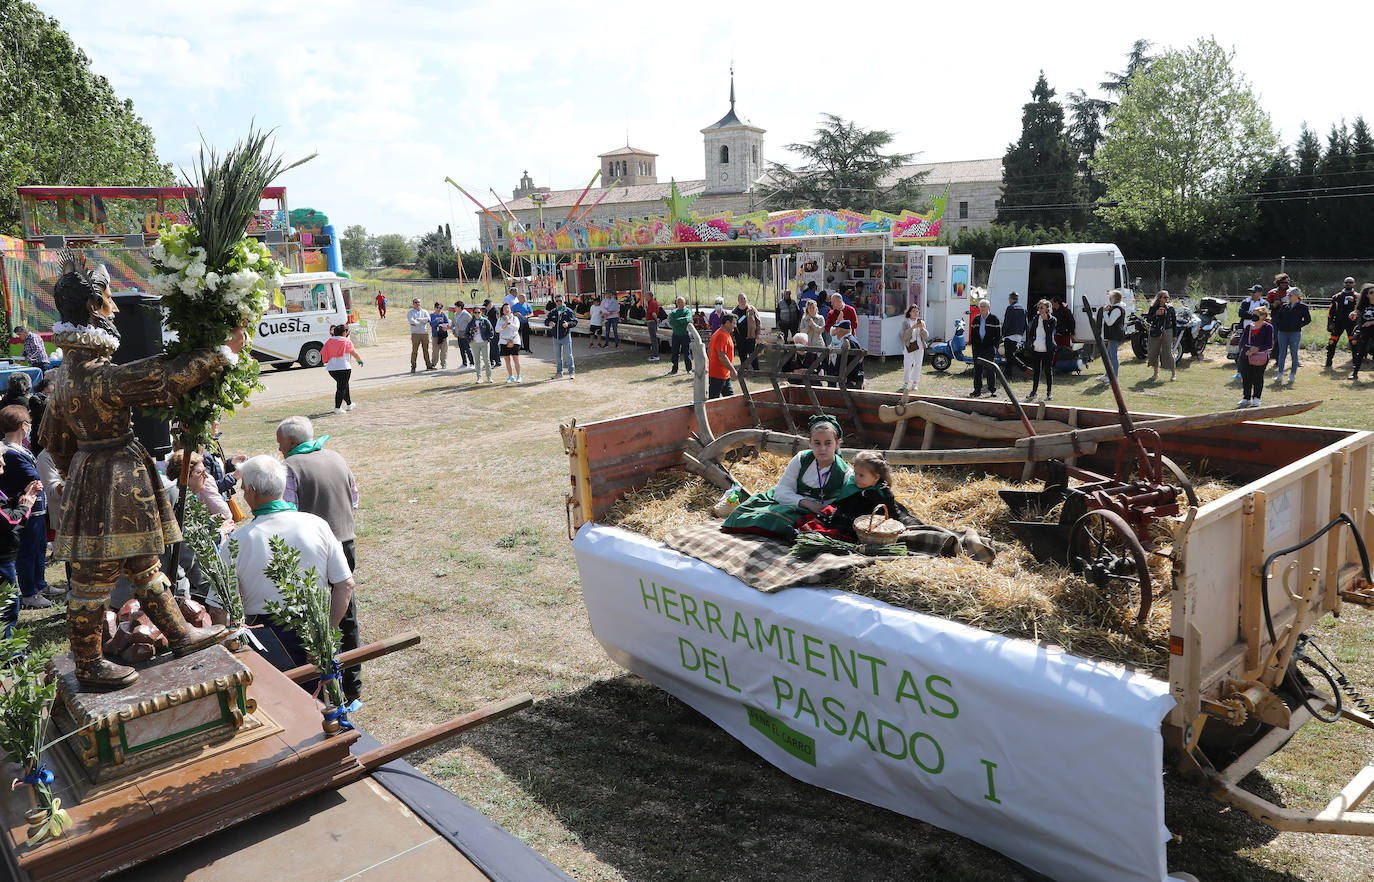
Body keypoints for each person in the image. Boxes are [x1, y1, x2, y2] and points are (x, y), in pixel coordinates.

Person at [39, 251, 231, 689]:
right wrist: (218, 354)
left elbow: (58, 440)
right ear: (93, 308)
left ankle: (180, 634)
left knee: (144, 563)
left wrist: (77, 477)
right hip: (114, 478)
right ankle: (88, 661)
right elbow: (162, 379)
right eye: (107, 296)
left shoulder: (65, 373)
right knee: (92, 577)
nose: (114, 305)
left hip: (96, 474)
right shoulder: (93, 372)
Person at [208, 455, 354, 687]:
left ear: (253, 491)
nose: (244, 495)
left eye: (244, 489)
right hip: (317, 628)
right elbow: (345, 585)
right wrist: (324, 634)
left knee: (284, 711)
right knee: (327, 707)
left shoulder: (237, 542)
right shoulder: (317, 525)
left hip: (268, 641)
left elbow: (217, 609)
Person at [277, 417, 363, 701]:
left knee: (317, 616)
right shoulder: (337, 457)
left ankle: (326, 685)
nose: (280, 450)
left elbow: (287, 514)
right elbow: (354, 499)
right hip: (345, 541)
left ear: (290, 442)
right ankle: (353, 687)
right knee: (347, 614)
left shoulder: (290, 468)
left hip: (314, 549)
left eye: (280, 444)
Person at [720, 415, 850, 540]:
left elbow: (847, 504)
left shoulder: (844, 472)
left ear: (838, 443)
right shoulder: (801, 459)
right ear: (810, 443)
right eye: (817, 443)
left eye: (828, 443)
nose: (822, 448)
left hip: (820, 513)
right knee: (766, 516)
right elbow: (781, 491)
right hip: (794, 502)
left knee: (820, 526)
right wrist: (807, 503)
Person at [0, 404, 54, 609]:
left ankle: (40, 584)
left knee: (39, 548)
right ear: (23, 425)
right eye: (29, 424)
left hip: (37, 507)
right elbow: (33, 478)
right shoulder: (10, 452)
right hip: (24, 508)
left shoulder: (21, 447)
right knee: (27, 551)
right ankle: (30, 592)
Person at [815, 450, 923, 542]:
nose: (856, 478)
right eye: (855, 473)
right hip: (851, 517)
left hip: (874, 525)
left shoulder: (882, 493)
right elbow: (843, 505)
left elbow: (891, 513)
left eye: (861, 475)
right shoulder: (853, 485)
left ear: (876, 477)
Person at [0, 454, 41, 639]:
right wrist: (27, 505)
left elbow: (5, 507)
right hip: (2, 558)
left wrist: (23, 496)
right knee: (8, 605)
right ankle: (10, 653)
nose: (2, 465)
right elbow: (9, 520)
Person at [166, 448, 233, 528]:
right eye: (200, 472)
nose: (206, 476)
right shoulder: (177, 505)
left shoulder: (191, 497)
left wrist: (210, 521)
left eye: (205, 471)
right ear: (185, 477)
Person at [1271, 286, 1311, 386]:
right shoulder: (1284, 306)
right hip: (1282, 332)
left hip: (1295, 333)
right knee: (1282, 354)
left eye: (1290, 295)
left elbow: (1307, 320)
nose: (1288, 296)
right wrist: (1280, 325)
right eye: (1288, 295)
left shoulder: (1303, 307)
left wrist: (1298, 325)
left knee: (1294, 353)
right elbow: (1278, 318)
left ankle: (1292, 375)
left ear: (1296, 296)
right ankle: (1280, 374)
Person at [321, 324, 364, 414]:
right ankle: (337, 408)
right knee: (342, 388)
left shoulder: (329, 341)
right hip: (344, 367)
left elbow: (323, 352)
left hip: (331, 368)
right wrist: (360, 360)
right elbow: (354, 353)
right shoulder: (346, 341)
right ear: (344, 332)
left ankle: (349, 404)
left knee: (344, 385)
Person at [1238, 305, 1274, 407]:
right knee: (1246, 377)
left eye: (1256, 314)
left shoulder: (1268, 327)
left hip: (1260, 357)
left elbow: (1269, 344)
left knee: (1258, 377)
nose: (1253, 316)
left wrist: (1257, 349)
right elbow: (1242, 342)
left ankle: (1257, 398)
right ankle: (1246, 398)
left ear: (1263, 316)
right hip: (1246, 356)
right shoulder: (1249, 326)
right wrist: (1247, 350)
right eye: (1252, 314)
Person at [1024, 299, 1057, 401]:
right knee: (1036, 371)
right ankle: (1034, 392)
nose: (1039, 309)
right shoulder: (1035, 318)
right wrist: (1031, 342)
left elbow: (1049, 332)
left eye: (1041, 307)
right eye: (1038, 307)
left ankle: (1049, 393)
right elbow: (1031, 332)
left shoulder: (1052, 319)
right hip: (1036, 349)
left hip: (1048, 350)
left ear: (1047, 308)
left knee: (1047, 371)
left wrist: (1045, 320)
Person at [969, 298, 1001, 398]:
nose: (982, 308)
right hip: (977, 348)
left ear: (989, 307)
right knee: (977, 370)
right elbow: (973, 335)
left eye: (984, 306)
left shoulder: (994, 319)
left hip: (989, 348)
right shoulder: (976, 319)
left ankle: (992, 390)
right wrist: (975, 346)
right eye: (981, 306)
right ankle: (977, 391)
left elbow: (998, 335)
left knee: (990, 369)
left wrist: (994, 346)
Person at [1327, 277, 1360, 369]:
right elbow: (1331, 311)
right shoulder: (1337, 296)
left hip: (1352, 324)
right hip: (1338, 323)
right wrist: (1330, 323)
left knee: (1354, 343)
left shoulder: (1358, 296)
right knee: (1332, 342)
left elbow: (1361, 310)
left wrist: (1354, 301)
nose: (1348, 284)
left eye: (1350, 282)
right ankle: (1328, 362)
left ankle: (1355, 364)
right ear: (1344, 284)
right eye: (1346, 282)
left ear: (1354, 284)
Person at [1145, 290, 1177, 382]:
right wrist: (1156, 314)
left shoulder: (1170, 308)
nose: (1167, 299)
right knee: (1153, 352)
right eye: (1165, 297)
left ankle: (1173, 373)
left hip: (1167, 331)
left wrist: (1174, 335)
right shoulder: (1153, 308)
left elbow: (1174, 323)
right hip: (1155, 331)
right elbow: (1148, 319)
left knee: (1168, 352)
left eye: (1168, 297)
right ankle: (1155, 373)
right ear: (1159, 298)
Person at [545, 294, 578, 379]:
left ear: (563, 301)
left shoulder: (568, 311)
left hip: (566, 336)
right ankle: (559, 373)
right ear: (555, 302)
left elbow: (575, 321)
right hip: (556, 337)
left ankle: (571, 372)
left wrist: (568, 324)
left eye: (560, 300)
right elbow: (546, 320)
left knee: (569, 355)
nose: (559, 302)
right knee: (557, 356)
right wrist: (549, 323)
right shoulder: (553, 311)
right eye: (557, 301)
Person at [1236, 285, 1266, 379]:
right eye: (1251, 292)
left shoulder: (1264, 303)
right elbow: (1241, 313)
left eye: (1254, 292)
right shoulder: (1246, 302)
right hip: (1245, 329)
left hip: (1258, 330)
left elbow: (1262, 317)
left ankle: (1252, 372)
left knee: (1255, 351)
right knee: (1242, 351)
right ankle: (1240, 372)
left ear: (1260, 293)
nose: (1252, 294)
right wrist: (1254, 315)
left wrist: (1250, 314)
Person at [707, 313, 739, 399]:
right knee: (713, 400)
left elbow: (709, 352)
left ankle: (732, 412)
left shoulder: (723, 334)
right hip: (717, 375)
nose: (735, 326)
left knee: (731, 399)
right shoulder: (721, 335)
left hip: (724, 374)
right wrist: (732, 370)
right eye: (734, 323)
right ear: (727, 323)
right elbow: (721, 355)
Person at [1099, 290, 1128, 381]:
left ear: (1114, 299)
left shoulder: (1117, 309)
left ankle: (1114, 377)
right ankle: (1108, 375)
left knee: (1113, 356)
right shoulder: (1114, 308)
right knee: (1110, 355)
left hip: (1115, 335)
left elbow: (1110, 322)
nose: (1109, 299)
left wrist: (1104, 312)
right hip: (1112, 334)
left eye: (1110, 297)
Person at [899, 305, 927, 393]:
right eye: (914, 311)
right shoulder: (905, 322)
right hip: (909, 346)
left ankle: (915, 384)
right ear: (910, 312)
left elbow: (926, 336)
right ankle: (905, 383)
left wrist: (922, 328)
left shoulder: (921, 322)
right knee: (907, 364)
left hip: (919, 346)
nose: (916, 313)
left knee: (918, 365)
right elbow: (904, 337)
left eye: (917, 311)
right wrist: (912, 328)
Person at [829, 319, 865, 388]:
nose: (835, 333)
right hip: (847, 378)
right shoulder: (848, 340)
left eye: (836, 330)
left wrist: (853, 379)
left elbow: (856, 362)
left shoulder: (850, 342)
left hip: (850, 380)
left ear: (840, 331)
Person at [1349, 284, 1374, 381]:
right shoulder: (1364, 304)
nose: (1373, 294)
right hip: (1365, 332)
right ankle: (1355, 374)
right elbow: (1356, 312)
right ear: (1367, 295)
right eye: (1371, 292)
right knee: (1361, 352)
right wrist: (1353, 313)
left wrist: (1371, 322)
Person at [1001, 292, 1027, 375]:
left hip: (1009, 335)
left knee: (1009, 355)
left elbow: (1006, 322)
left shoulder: (1010, 307)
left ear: (1010, 299)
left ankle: (1023, 367)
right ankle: (1008, 373)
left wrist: (1002, 334)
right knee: (1010, 355)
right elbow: (1025, 324)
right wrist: (1021, 334)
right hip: (1018, 335)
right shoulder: (1023, 309)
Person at [666, 297, 694, 375]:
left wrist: (677, 321)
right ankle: (674, 369)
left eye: (681, 302)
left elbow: (687, 319)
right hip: (676, 335)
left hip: (685, 335)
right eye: (678, 302)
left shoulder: (687, 311)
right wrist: (681, 321)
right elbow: (671, 321)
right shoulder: (674, 312)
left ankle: (689, 369)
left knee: (686, 353)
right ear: (676, 303)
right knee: (675, 352)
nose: (680, 304)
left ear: (684, 303)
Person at [496, 302, 522, 383]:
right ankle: (510, 376)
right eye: (504, 308)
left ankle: (518, 376)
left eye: (508, 308)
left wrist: (508, 323)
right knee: (507, 359)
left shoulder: (515, 318)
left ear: (511, 310)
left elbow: (516, 328)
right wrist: (504, 324)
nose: (506, 310)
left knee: (515, 358)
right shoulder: (500, 319)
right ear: (502, 311)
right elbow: (497, 329)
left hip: (514, 341)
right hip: (504, 341)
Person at [407, 297, 434, 373]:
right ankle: (413, 367)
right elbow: (412, 322)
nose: (417, 304)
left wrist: (418, 320)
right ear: (413, 304)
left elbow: (428, 319)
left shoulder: (424, 311)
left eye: (418, 302)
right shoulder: (411, 312)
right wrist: (422, 321)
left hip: (424, 333)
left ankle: (428, 365)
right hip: (415, 334)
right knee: (415, 351)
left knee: (426, 350)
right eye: (416, 302)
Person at [735, 295, 761, 371]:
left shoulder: (752, 309)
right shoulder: (735, 311)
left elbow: (758, 322)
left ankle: (756, 369)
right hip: (739, 337)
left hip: (751, 336)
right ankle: (744, 369)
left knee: (752, 354)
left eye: (744, 299)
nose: (743, 300)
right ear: (738, 300)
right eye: (741, 299)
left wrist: (758, 334)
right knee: (742, 354)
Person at [470, 306, 494, 384]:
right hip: (475, 344)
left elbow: (491, 331)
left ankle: (489, 377)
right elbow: (466, 332)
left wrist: (488, 339)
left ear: (481, 312)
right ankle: (479, 378)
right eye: (475, 312)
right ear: (473, 313)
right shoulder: (471, 322)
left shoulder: (485, 321)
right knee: (477, 361)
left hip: (484, 343)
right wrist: (470, 339)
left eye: (478, 312)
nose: (477, 314)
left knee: (486, 360)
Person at [452, 300, 474, 368]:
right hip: (459, 334)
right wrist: (454, 332)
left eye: (456, 306)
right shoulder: (455, 314)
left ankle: (472, 363)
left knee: (468, 349)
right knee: (461, 350)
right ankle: (464, 363)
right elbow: (453, 324)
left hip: (465, 335)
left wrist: (469, 332)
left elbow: (471, 323)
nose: (455, 308)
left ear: (460, 307)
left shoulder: (466, 314)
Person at [429, 301, 450, 369]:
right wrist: (436, 320)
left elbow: (448, 323)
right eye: (437, 307)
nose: (439, 309)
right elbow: (431, 324)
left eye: (440, 308)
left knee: (444, 350)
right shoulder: (432, 315)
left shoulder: (443, 314)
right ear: (434, 308)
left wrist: (443, 325)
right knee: (435, 350)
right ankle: (434, 363)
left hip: (443, 335)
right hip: (435, 335)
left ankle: (443, 364)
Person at [644, 292, 662, 362]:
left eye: (646, 296)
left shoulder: (652, 303)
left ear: (649, 296)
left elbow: (653, 313)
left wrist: (656, 319)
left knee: (653, 339)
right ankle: (655, 354)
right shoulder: (652, 302)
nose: (645, 297)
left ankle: (655, 355)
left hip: (651, 322)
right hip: (652, 322)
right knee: (654, 338)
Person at [484, 299, 501, 366]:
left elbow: (496, 321)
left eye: (487, 305)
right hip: (489, 331)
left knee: (495, 346)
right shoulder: (487, 310)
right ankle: (491, 361)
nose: (486, 307)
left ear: (491, 304)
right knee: (491, 347)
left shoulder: (495, 310)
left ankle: (498, 361)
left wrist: (488, 319)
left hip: (494, 331)